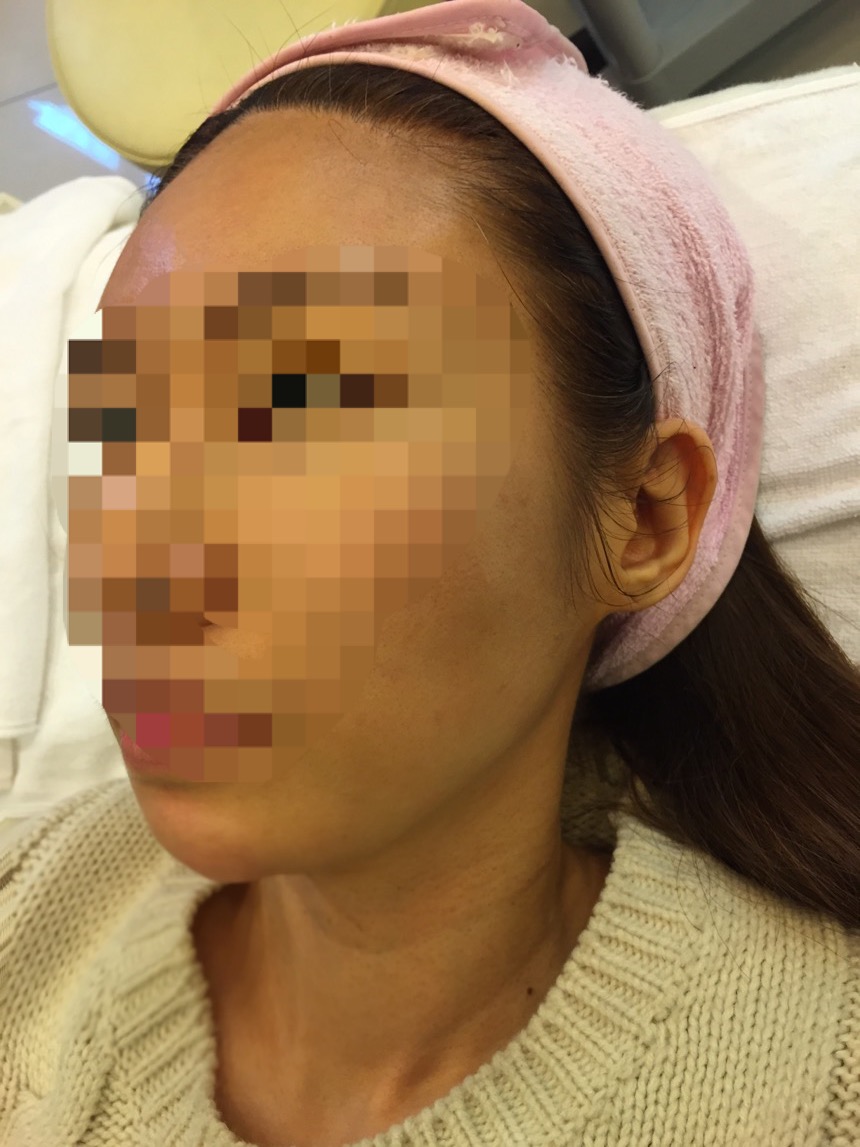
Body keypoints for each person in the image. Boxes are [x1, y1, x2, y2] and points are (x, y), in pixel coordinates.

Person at [2, 3, 857, 1146]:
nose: (140, 568)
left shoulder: (811, 1087)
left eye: (295, 419)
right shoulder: (33, 904)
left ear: (645, 520)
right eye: (121, 431)